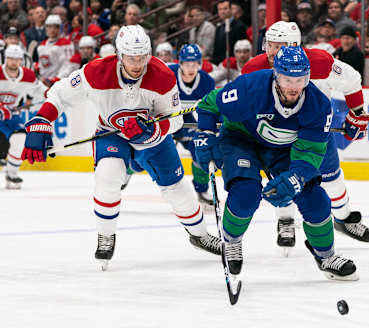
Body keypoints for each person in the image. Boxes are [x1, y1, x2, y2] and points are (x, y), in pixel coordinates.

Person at [20, 25, 221, 270]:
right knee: (108, 177)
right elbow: (60, 94)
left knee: (177, 189)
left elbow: (176, 118)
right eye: (130, 58)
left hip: (153, 139)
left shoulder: (163, 75)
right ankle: (106, 234)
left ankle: (199, 234)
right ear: (119, 55)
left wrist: (153, 129)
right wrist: (42, 120)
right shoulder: (95, 72)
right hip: (110, 133)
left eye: (142, 58)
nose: (137, 64)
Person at [193, 46, 359, 281]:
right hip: (242, 140)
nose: (293, 86)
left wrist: (297, 178)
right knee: (246, 194)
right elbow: (210, 104)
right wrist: (205, 133)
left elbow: (311, 151)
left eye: (300, 79)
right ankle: (231, 241)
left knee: (315, 199)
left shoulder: (319, 105)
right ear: (275, 75)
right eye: (286, 79)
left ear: (308, 77)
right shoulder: (251, 87)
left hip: (283, 149)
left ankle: (326, 256)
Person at [241, 21, 369, 250]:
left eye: (278, 46)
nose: (271, 52)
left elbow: (351, 80)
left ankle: (344, 218)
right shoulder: (255, 67)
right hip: (277, 134)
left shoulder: (320, 62)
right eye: (269, 45)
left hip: (315, 133)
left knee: (331, 177)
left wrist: (357, 114)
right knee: (282, 179)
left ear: (293, 45)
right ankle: (285, 220)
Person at [168, 44, 216, 205]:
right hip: (166, 118)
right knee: (149, 151)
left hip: (187, 119)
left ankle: (202, 190)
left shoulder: (207, 81)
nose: (191, 68)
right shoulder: (168, 75)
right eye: (187, 64)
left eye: (195, 64)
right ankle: (129, 171)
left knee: (200, 151)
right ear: (180, 63)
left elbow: (211, 108)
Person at [0, 45, 46, 189]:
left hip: (11, 116)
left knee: (21, 139)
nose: (14, 62)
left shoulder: (28, 76)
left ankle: (11, 174)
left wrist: (56, 96)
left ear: (21, 60)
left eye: (17, 59)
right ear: (6, 59)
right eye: (11, 58)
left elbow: (42, 91)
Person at [36, 15, 74, 86]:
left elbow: (68, 66)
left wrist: (56, 79)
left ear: (60, 28)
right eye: (49, 27)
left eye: (55, 27)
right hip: (43, 83)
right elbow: (42, 64)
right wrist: (37, 67)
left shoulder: (66, 43)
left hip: (58, 84)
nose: (52, 30)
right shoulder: (42, 45)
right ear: (46, 28)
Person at [212, 0, 247, 65]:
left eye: (225, 9)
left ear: (231, 9)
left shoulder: (239, 26)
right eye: (220, 9)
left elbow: (242, 48)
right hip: (218, 65)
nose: (222, 12)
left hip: (233, 65)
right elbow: (216, 49)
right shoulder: (219, 27)